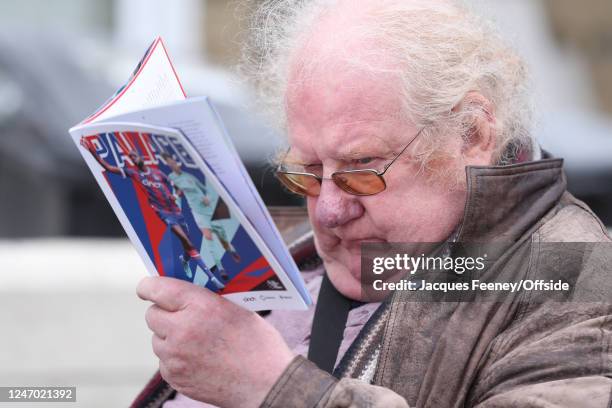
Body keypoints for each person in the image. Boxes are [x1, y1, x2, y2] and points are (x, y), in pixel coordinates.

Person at [134, 1, 612, 407]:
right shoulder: (293, 251)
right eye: (307, 172)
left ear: (472, 134)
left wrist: (275, 388)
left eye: (362, 167)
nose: (328, 212)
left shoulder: (578, 277)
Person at [80, 137, 225, 290]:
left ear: (142, 157)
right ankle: (213, 278)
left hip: (175, 211)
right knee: (187, 242)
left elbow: (177, 187)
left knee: (188, 244)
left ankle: (185, 259)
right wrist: (91, 150)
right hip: (164, 213)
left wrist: (175, 195)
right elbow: (108, 167)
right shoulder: (134, 174)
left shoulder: (157, 173)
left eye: (135, 155)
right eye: (132, 158)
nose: (135, 159)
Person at [162, 152, 241, 281]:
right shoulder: (171, 178)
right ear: (168, 164)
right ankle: (221, 268)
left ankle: (231, 250)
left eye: (173, 162)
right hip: (197, 212)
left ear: (176, 162)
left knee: (222, 236)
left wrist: (207, 198)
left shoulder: (189, 176)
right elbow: (175, 193)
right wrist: (175, 204)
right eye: (169, 163)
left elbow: (204, 189)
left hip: (207, 208)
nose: (172, 164)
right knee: (208, 237)